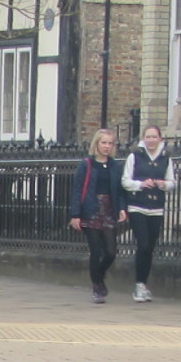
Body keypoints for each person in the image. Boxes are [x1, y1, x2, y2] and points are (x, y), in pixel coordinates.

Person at [69, 128, 127, 304]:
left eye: (110, 143)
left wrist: (122, 208)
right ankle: (97, 287)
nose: (107, 146)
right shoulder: (86, 164)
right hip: (91, 209)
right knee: (96, 250)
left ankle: (98, 274)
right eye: (104, 142)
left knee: (110, 252)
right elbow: (78, 190)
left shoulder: (115, 165)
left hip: (109, 210)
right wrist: (75, 214)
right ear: (97, 144)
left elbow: (120, 190)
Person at [120, 124, 174, 302]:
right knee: (142, 244)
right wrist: (141, 184)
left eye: (154, 137)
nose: (151, 140)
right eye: (148, 137)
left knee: (150, 247)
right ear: (143, 139)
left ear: (160, 139)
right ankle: (139, 285)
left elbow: (172, 181)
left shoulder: (166, 158)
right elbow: (125, 181)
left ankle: (143, 284)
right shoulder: (134, 156)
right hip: (137, 206)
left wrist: (163, 184)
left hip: (156, 208)